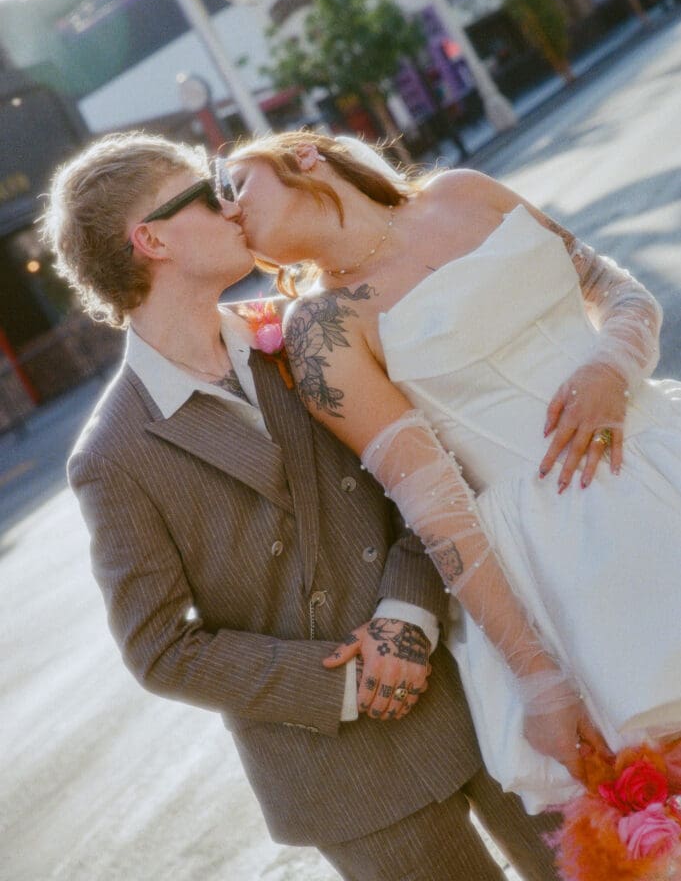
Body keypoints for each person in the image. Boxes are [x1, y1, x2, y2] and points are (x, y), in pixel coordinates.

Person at [42, 130, 568, 881]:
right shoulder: (112, 455)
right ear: (150, 239)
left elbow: (429, 469)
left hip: (474, 684)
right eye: (204, 191)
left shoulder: (300, 330)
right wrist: (343, 681)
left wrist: (406, 617)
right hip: (342, 775)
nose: (230, 205)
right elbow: (158, 646)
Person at [222, 128, 681, 814]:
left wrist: (609, 367)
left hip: (661, 452)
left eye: (236, 185)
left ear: (305, 154)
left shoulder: (464, 193)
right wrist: (538, 679)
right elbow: (435, 507)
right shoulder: (320, 331)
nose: (228, 210)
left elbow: (620, 295)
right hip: (567, 557)